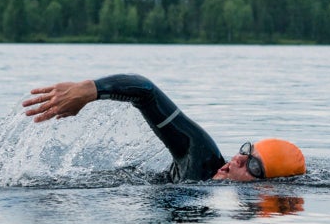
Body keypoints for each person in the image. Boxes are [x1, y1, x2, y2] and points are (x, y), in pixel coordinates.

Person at [22, 73, 305, 183]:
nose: (239, 158)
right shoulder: (202, 157)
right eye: (247, 150)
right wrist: (89, 90)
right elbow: (146, 92)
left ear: (266, 189)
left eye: (253, 167)